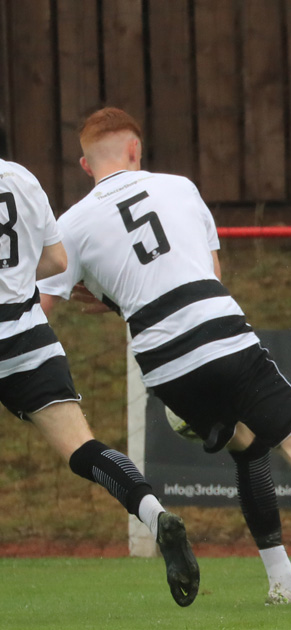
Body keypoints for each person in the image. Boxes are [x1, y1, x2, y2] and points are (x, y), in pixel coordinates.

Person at [38, 107, 291, 607]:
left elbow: (42, 304)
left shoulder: (70, 224)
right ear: (135, 149)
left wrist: (115, 299)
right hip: (220, 335)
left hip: (162, 365)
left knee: (247, 447)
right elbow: (211, 273)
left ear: (85, 165)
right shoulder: (180, 187)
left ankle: (283, 582)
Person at [0, 157, 200, 606]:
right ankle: (155, 514)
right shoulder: (22, 178)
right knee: (83, 449)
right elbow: (56, 260)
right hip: (27, 338)